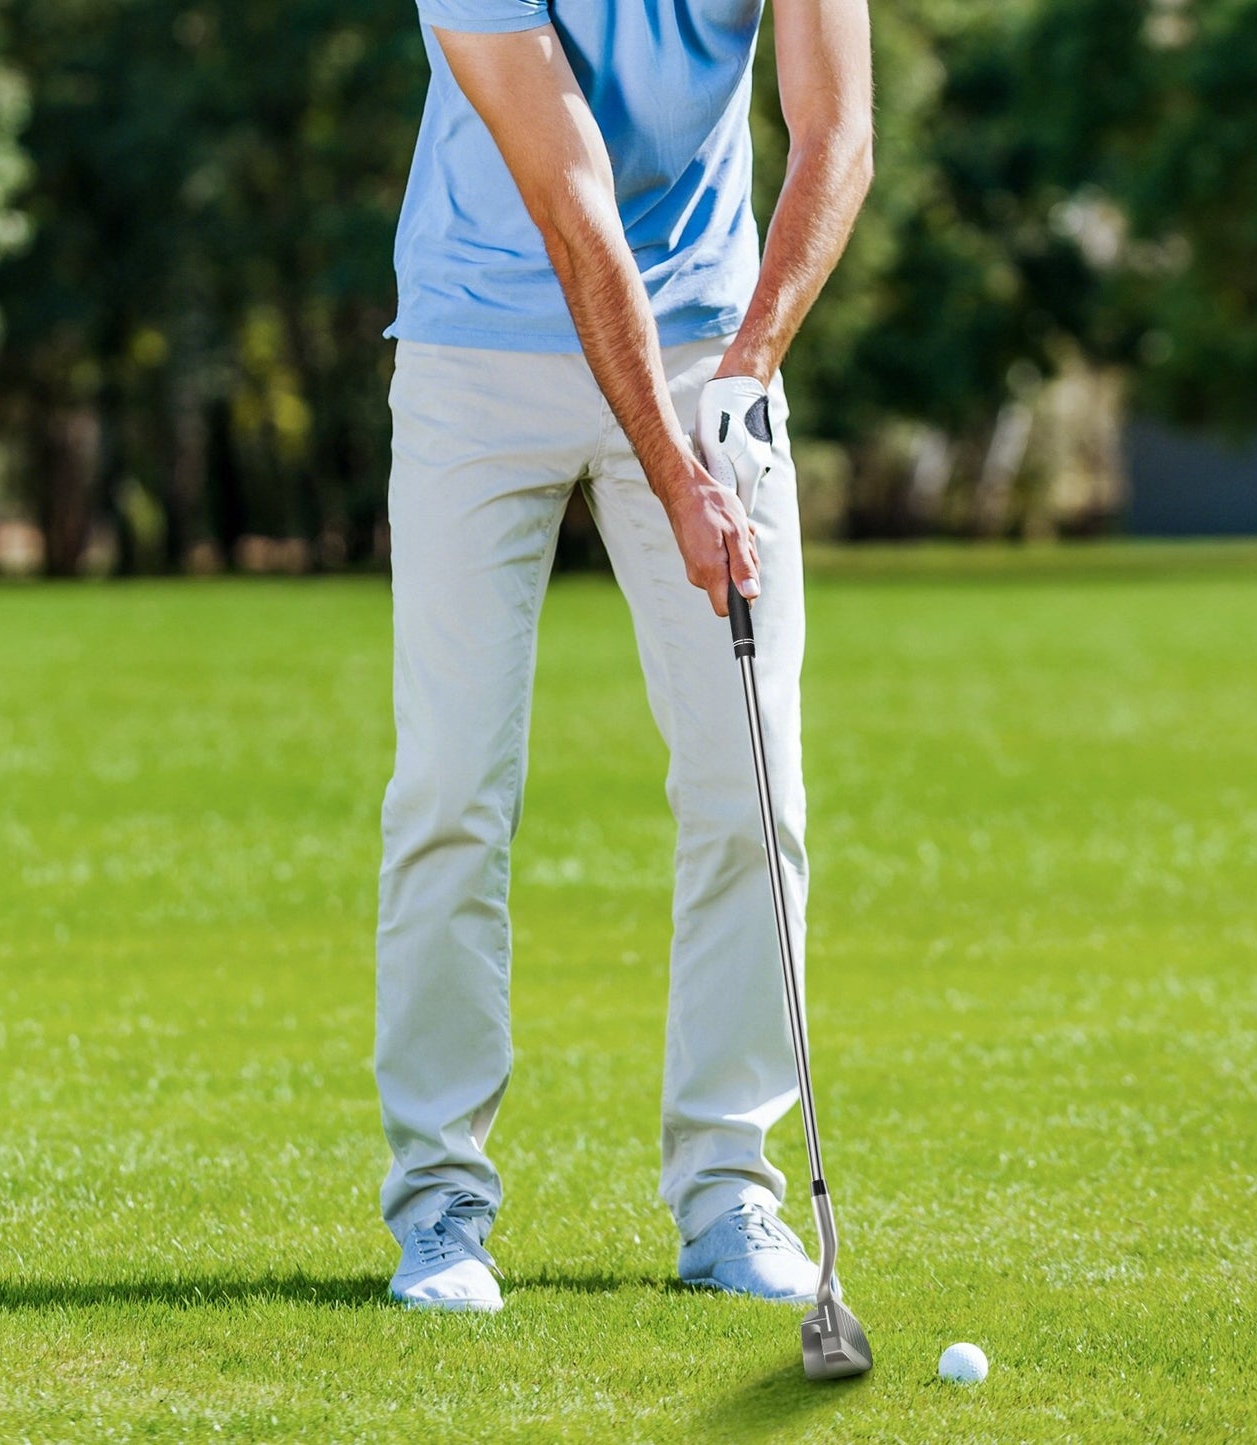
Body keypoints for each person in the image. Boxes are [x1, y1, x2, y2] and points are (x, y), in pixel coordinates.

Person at [376, 0, 873, 1311]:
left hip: (710, 333)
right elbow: (573, 200)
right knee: (451, 789)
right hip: (478, 352)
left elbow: (836, 133)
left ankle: (728, 1196)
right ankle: (441, 1207)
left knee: (750, 787)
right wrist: (673, 471)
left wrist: (748, 370)